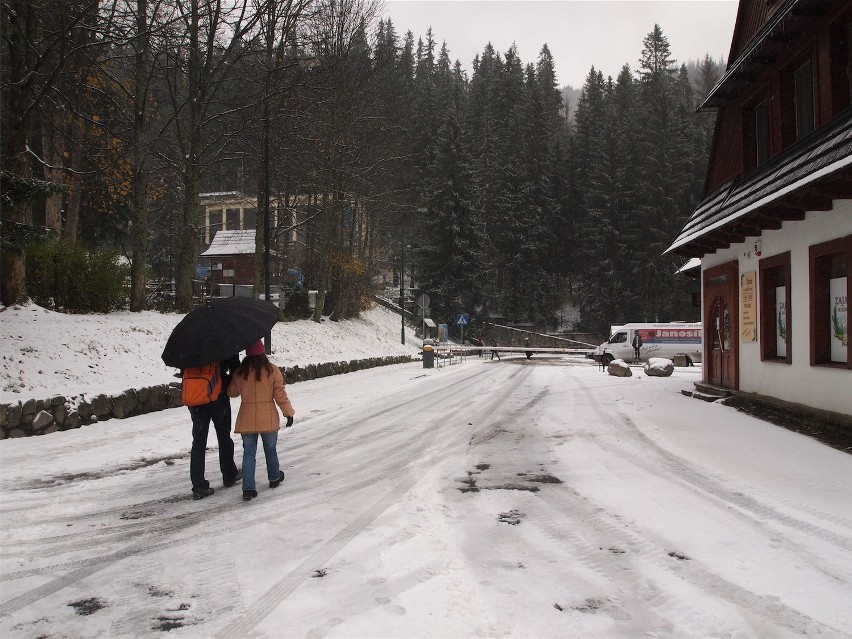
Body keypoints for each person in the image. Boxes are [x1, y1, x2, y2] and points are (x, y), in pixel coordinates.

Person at [227, 340, 295, 501]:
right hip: (268, 418)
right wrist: (288, 413)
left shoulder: (240, 372)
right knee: (270, 450)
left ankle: (248, 488)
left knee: (248, 454)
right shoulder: (272, 370)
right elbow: (280, 394)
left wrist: (233, 373)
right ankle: (274, 477)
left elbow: (231, 393)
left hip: (247, 418)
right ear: (263, 353)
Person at [186, 354, 241, 500]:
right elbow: (235, 367)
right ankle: (229, 474)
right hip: (218, 396)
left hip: (196, 397)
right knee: (224, 437)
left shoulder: (189, 344)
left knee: (198, 441)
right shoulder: (222, 341)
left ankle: (198, 485)